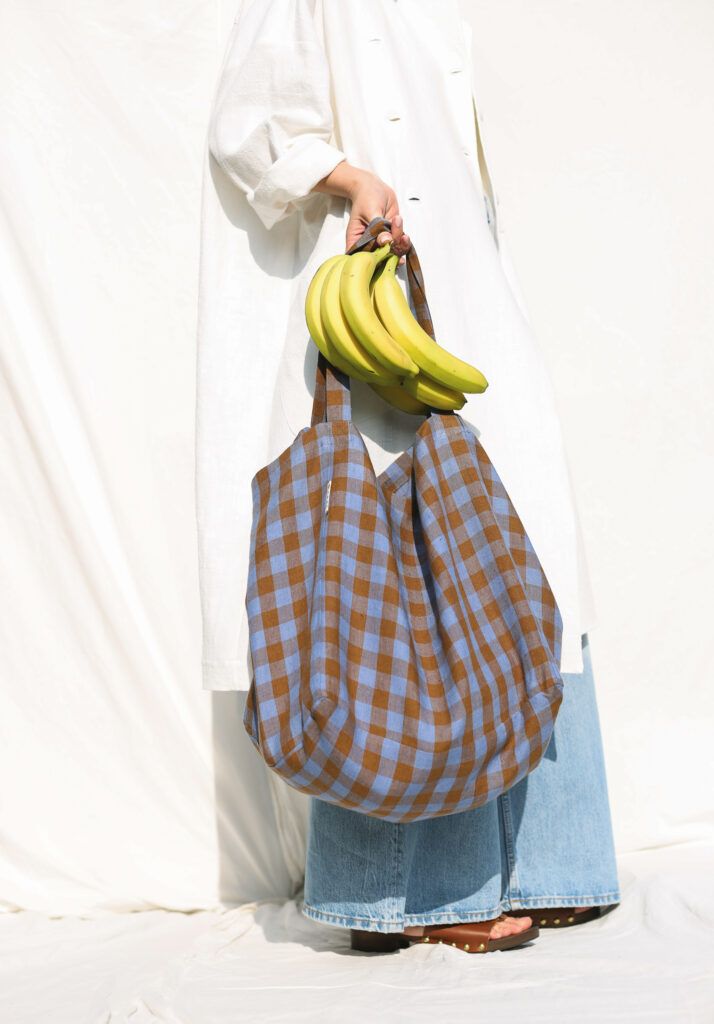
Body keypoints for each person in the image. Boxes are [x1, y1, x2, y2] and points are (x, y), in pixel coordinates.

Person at [195, 0, 620, 953]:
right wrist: (353, 181)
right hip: (368, 278)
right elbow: (248, 120)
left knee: (518, 554)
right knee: (400, 579)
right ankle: (409, 896)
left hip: (465, 276)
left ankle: (550, 859)